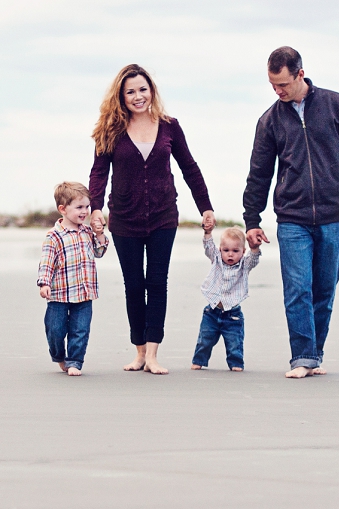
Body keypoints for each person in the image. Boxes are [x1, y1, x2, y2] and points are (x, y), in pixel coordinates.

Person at [242, 46, 339, 379]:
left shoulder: (337, 105)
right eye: (273, 85)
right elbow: (259, 173)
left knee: (324, 290)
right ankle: (302, 356)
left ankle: (314, 354)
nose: (278, 91)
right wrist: (252, 220)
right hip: (292, 218)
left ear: (300, 74)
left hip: (334, 216)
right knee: (298, 289)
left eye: (283, 85)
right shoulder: (270, 120)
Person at [89, 64, 215, 375]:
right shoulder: (110, 129)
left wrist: (206, 207)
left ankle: (154, 353)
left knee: (157, 283)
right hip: (124, 219)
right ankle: (140, 352)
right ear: (121, 96)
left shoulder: (170, 126)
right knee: (134, 285)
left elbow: (189, 167)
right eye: (130, 91)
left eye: (142, 89)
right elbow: (99, 172)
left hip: (163, 216)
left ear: (152, 91)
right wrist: (94, 208)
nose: (137, 96)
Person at [37, 182, 109, 376]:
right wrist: (44, 283)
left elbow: (99, 251)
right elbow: (46, 262)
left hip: (84, 292)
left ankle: (75, 361)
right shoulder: (54, 236)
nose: (85, 211)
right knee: (55, 330)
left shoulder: (87, 232)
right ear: (63, 209)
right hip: (59, 293)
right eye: (79, 207)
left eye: (87, 206)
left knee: (80, 331)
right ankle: (59, 356)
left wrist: (100, 233)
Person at [190, 225, 262, 372]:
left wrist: (255, 248)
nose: (230, 255)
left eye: (235, 251)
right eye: (226, 250)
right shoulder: (216, 260)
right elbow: (208, 247)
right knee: (205, 339)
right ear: (220, 250)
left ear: (243, 251)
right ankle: (199, 360)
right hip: (212, 311)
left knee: (234, 341)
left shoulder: (244, 265)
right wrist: (208, 232)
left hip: (233, 315)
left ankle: (236, 363)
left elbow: (253, 260)